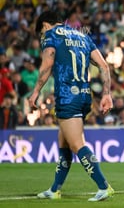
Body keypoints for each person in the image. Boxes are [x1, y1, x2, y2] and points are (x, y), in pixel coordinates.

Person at [28, 11, 115, 201]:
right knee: (64, 142)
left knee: (76, 144)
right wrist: (107, 93)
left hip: (67, 96)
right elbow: (104, 66)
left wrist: (35, 92)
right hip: (84, 96)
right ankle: (54, 190)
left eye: (41, 32)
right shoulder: (82, 35)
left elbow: (47, 64)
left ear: (45, 25)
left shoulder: (51, 35)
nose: (42, 36)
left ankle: (104, 186)